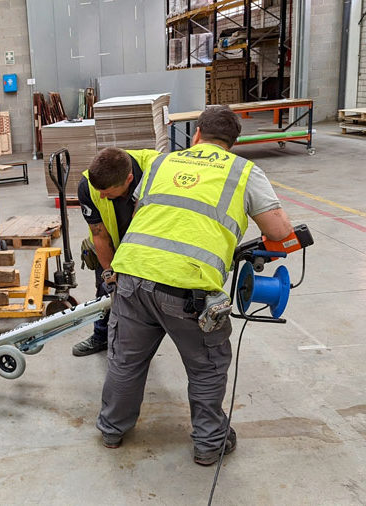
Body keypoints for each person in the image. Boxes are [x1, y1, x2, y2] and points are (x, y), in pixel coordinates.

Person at [96, 105, 293, 466]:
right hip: (189, 290)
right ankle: (209, 445)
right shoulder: (244, 172)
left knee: (125, 361)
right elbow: (281, 232)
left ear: (197, 134)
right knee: (206, 367)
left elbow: (157, 212)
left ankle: (111, 430)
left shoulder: (161, 163)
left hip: (132, 276)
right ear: (232, 143)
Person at [72, 147, 160, 357]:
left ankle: (141, 340)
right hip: (114, 242)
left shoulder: (157, 171)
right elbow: (99, 235)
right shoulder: (88, 186)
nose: (101, 196)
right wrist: (111, 275)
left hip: (152, 246)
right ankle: (101, 336)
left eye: (108, 193)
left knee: (148, 295)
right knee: (105, 289)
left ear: (129, 179)